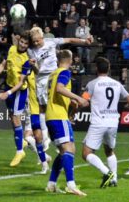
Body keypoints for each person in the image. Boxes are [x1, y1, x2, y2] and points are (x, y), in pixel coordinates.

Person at [26, 26, 92, 156]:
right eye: (34, 41)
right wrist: (33, 65)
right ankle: (52, 138)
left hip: (54, 76)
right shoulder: (31, 51)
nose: (36, 43)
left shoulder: (51, 42)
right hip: (41, 79)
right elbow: (37, 71)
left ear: (42, 37)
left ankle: (52, 137)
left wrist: (84, 42)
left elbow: (70, 40)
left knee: (56, 106)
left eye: (38, 41)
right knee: (44, 108)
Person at [81, 58, 129, 188]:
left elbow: (83, 100)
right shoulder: (117, 84)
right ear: (108, 69)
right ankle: (114, 179)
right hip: (113, 122)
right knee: (109, 151)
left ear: (96, 69)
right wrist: (127, 107)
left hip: (99, 122)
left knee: (86, 153)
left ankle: (107, 172)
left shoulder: (92, 84)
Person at [44, 50, 89, 196]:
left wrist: (72, 102)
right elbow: (60, 89)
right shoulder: (65, 72)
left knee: (64, 150)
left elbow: (57, 93)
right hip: (58, 116)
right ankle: (71, 184)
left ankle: (51, 184)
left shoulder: (53, 74)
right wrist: (79, 98)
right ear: (70, 60)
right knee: (70, 149)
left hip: (51, 115)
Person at [0, 33, 32, 167]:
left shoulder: (27, 59)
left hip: (19, 91)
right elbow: (3, 65)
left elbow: (22, 82)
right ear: (18, 40)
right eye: (22, 42)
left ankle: (19, 151)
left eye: (26, 44)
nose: (23, 45)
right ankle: (21, 142)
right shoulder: (11, 49)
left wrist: (8, 93)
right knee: (12, 117)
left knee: (16, 118)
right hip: (9, 86)